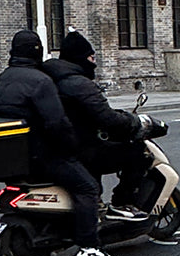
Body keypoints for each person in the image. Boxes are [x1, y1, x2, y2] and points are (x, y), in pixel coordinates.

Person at [0, 30, 121, 256]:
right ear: (37, 51)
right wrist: (71, 148)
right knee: (87, 187)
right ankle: (90, 247)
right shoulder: (40, 82)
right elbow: (57, 123)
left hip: (13, 158)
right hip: (43, 155)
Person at [40, 30, 159, 220]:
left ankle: (98, 204)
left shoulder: (50, 79)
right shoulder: (80, 84)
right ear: (80, 58)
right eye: (91, 57)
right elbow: (107, 118)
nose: (93, 62)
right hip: (80, 146)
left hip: (58, 147)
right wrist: (133, 122)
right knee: (138, 153)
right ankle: (122, 203)